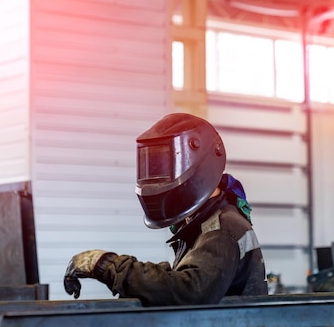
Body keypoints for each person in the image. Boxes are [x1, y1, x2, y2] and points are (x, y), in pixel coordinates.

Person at [63, 112, 268, 306]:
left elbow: (187, 290)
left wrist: (106, 266)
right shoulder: (203, 225)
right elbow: (179, 278)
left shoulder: (223, 228)